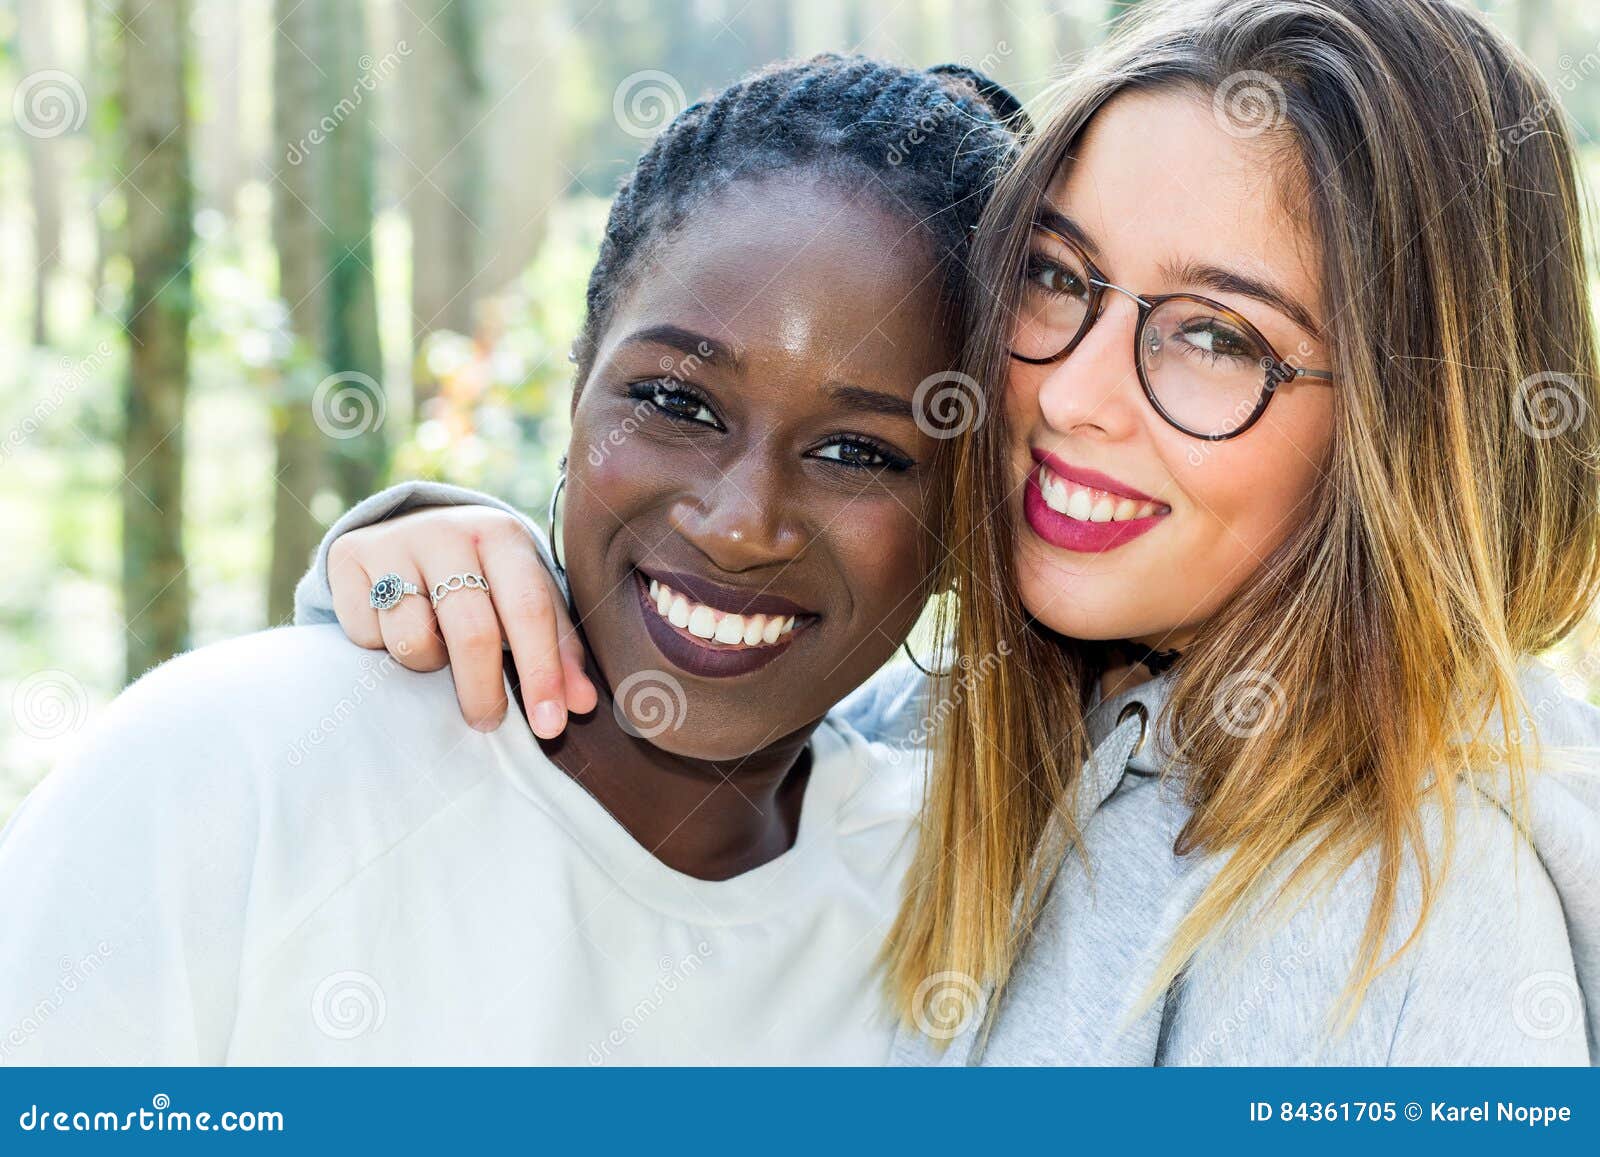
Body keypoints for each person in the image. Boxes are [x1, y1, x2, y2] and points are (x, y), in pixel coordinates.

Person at [306, 0, 1600, 1064]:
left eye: (1219, 337)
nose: (1073, 393)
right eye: (1056, 275)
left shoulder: (1410, 923)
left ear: (1416, 420)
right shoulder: (989, 736)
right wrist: (422, 581)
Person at [0, 56, 1020, 1065]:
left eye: (859, 452)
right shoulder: (231, 770)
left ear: (970, 517)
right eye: (674, 400)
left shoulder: (971, 916)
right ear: (576, 385)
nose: (738, 523)